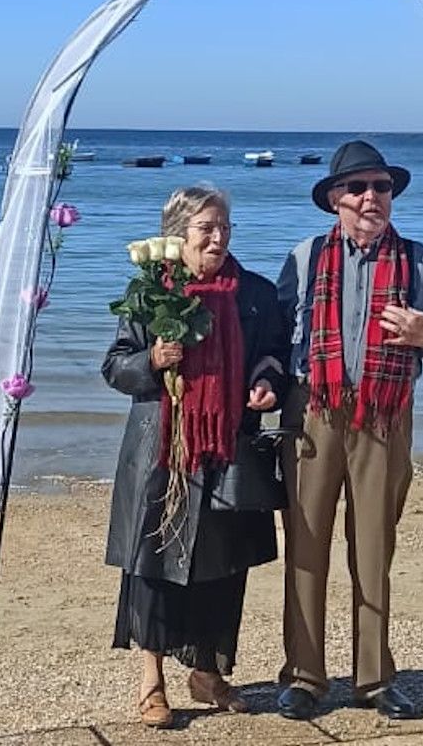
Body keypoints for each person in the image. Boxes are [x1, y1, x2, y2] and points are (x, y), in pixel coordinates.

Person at [275, 140, 423, 721]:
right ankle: (305, 678)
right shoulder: (305, 257)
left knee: (374, 548)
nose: (370, 198)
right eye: (358, 188)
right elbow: (276, 340)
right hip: (313, 413)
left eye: (381, 187)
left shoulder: (419, 261)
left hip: (385, 420)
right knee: (306, 547)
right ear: (334, 199)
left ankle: (374, 679)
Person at [102, 185, 289, 729]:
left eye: (224, 225)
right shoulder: (151, 294)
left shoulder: (251, 293)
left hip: (228, 443)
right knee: (155, 562)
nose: (218, 236)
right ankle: (151, 680)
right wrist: (154, 358)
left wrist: (266, 382)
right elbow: (114, 366)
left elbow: (274, 353)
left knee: (223, 562)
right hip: (163, 447)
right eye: (206, 227)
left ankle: (208, 672)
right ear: (177, 235)